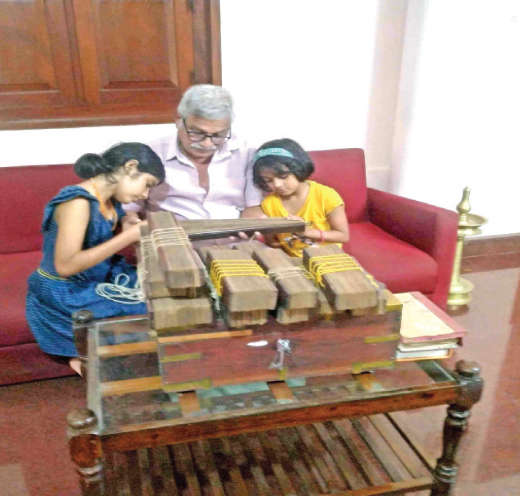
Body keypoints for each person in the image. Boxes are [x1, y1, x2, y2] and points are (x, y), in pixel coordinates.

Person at [26, 143, 165, 372]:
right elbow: (65, 266)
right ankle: (126, 373)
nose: (145, 194)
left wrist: (127, 221)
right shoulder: (77, 202)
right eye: (147, 184)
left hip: (96, 276)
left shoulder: (108, 198)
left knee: (161, 289)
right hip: (66, 289)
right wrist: (127, 237)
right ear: (131, 167)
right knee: (149, 309)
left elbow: (113, 217)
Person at [124, 84, 264, 222]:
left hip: (233, 234)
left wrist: (251, 228)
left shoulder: (247, 152)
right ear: (179, 121)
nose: (207, 144)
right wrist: (129, 221)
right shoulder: (150, 155)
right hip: (174, 234)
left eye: (218, 135)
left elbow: (253, 209)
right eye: (197, 133)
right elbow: (128, 208)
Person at [253, 138, 350, 257]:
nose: (277, 185)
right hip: (294, 260)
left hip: (327, 256)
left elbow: (343, 236)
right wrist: (267, 232)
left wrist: (307, 232)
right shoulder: (269, 203)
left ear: (298, 167)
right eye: (268, 180)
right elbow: (274, 243)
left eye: (282, 176)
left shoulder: (327, 196)